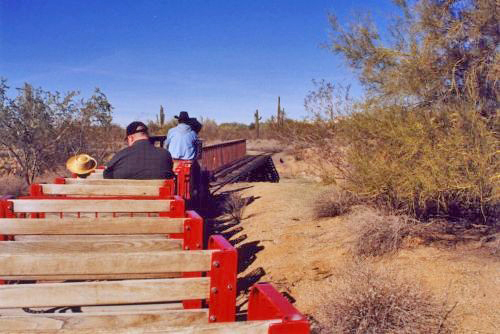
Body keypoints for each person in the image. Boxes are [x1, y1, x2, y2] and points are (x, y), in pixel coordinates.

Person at [104, 121, 174, 179]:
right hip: (162, 195)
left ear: (130, 138)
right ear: (147, 136)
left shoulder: (121, 155)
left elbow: (107, 174)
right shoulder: (165, 154)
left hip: (128, 194)